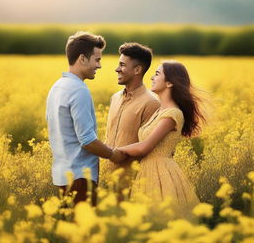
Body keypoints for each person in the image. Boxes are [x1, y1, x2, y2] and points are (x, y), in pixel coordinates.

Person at [116, 60, 206, 215]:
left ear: (170, 83)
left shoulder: (172, 114)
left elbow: (144, 146)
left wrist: (114, 151)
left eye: (157, 74)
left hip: (161, 174)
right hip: (146, 171)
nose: (152, 77)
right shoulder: (159, 111)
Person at [46, 31, 125, 206]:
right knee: (85, 230)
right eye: (97, 60)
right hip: (80, 176)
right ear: (82, 59)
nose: (99, 66)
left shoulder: (57, 87)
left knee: (71, 229)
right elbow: (87, 140)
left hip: (62, 175)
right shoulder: (78, 90)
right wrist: (114, 155)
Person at [105, 43, 160, 197]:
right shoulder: (115, 98)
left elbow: (150, 148)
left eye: (122, 65)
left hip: (133, 184)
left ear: (137, 70)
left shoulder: (152, 103)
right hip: (108, 179)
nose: (117, 69)